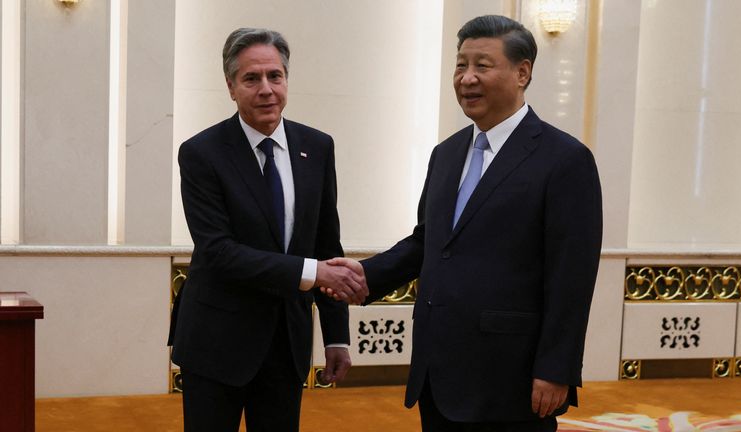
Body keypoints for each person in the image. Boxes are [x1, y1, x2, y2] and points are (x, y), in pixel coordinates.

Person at [326, 15, 602, 432]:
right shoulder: (447, 153)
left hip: (512, 378)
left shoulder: (565, 160)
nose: (466, 78)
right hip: (438, 372)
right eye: (460, 65)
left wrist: (556, 368)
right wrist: (366, 274)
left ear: (522, 72)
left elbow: (572, 276)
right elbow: (429, 242)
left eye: (482, 65)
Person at [169, 28, 368, 432]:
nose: (266, 89)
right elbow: (219, 251)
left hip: (286, 344)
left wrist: (336, 337)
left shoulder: (318, 147)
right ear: (230, 86)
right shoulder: (200, 153)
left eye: (275, 76)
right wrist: (312, 274)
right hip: (215, 344)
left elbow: (326, 243)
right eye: (251, 78)